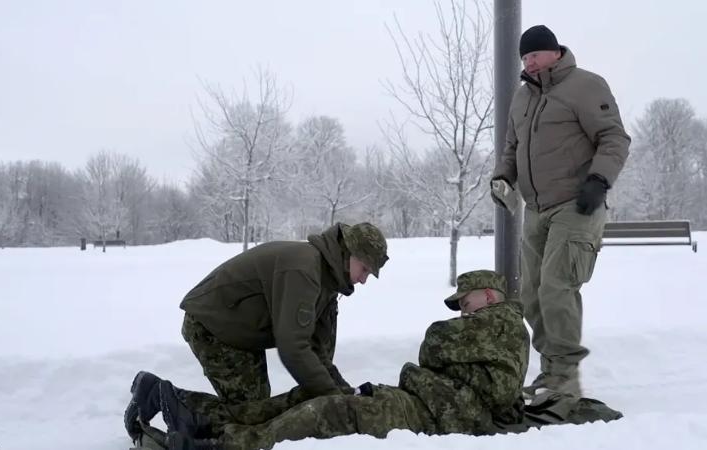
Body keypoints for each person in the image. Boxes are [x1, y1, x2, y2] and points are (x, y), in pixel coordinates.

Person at [126, 270, 531, 450]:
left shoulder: (502, 323)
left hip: (431, 416)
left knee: (336, 411)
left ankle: (221, 443)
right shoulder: (487, 334)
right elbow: (440, 351)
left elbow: (435, 341)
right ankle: (191, 411)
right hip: (422, 404)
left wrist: (439, 360)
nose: (461, 310)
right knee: (308, 397)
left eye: (466, 301)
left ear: (490, 296)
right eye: (459, 305)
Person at [492, 25, 630, 398]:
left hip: (576, 204)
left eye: (534, 54)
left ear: (554, 52)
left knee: (557, 288)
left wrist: (599, 180)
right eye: (524, 57)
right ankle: (550, 372)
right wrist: (503, 177)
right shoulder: (521, 99)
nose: (529, 62)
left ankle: (565, 379)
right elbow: (511, 147)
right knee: (532, 296)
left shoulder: (585, 86)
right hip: (536, 210)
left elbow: (614, 137)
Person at [171, 222, 389, 407]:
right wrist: (333, 400)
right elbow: (293, 347)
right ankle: (166, 402)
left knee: (256, 408)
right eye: (365, 269)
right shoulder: (304, 270)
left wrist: (345, 394)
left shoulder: (329, 281)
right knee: (249, 412)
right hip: (211, 323)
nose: (363, 280)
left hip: (240, 332)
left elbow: (317, 348)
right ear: (349, 253)